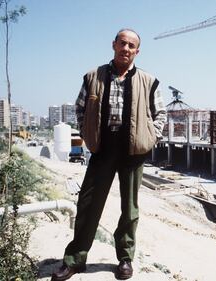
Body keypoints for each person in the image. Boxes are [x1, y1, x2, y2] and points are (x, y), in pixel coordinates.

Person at [52, 28, 166, 281]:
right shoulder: (94, 76)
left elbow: (161, 115)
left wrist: (151, 137)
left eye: (131, 46)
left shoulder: (148, 81)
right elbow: (79, 109)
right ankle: (75, 259)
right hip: (102, 149)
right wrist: (87, 133)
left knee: (130, 209)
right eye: (122, 43)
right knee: (88, 205)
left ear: (137, 51)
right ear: (114, 44)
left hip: (133, 152)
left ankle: (125, 259)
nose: (126, 49)